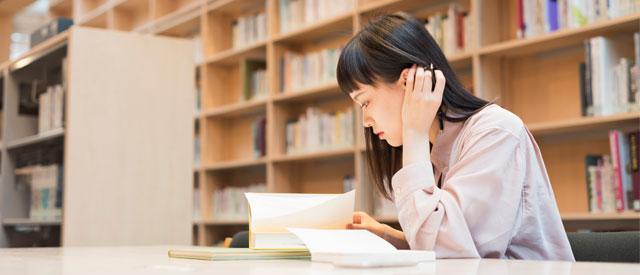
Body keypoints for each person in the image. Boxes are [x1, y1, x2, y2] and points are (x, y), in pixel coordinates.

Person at [338, 12, 574, 261]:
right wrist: (391, 238)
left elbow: (450, 254)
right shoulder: (436, 148)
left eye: (365, 103)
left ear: (408, 82)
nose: (366, 121)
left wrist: (414, 132)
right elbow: (450, 247)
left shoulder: (495, 132)